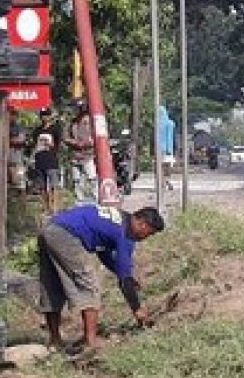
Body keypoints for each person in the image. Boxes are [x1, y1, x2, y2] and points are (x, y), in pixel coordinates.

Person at [38, 203, 165, 352]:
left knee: (53, 285)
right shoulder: (126, 233)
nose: (146, 238)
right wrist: (137, 309)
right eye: (149, 233)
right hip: (66, 235)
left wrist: (124, 275)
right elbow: (124, 280)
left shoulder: (118, 220)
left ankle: (55, 341)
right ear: (142, 224)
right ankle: (90, 342)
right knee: (90, 286)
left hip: (50, 228)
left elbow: (104, 253)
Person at [29, 107, 63, 217]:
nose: (45, 117)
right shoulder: (37, 131)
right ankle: (46, 207)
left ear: (50, 117)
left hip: (51, 159)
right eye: (43, 115)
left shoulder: (55, 129)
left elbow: (59, 143)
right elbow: (34, 145)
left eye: (47, 115)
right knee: (42, 186)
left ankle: (55, 207)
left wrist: (55, 150)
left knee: (54, 184)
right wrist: (32, 158)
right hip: (40, 159)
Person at [65, 100, 97, 201]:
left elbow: (96, 136)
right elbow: (65, 138)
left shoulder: (91, 121)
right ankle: (79, 199)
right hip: (75, 155)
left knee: (92, 177)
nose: (78, 110)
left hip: (88, 154)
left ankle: (96, 197)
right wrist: (74, 142)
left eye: (80, 108)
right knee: (76, 180)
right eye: (76, 108)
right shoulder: (71, 123)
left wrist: (87, 143)